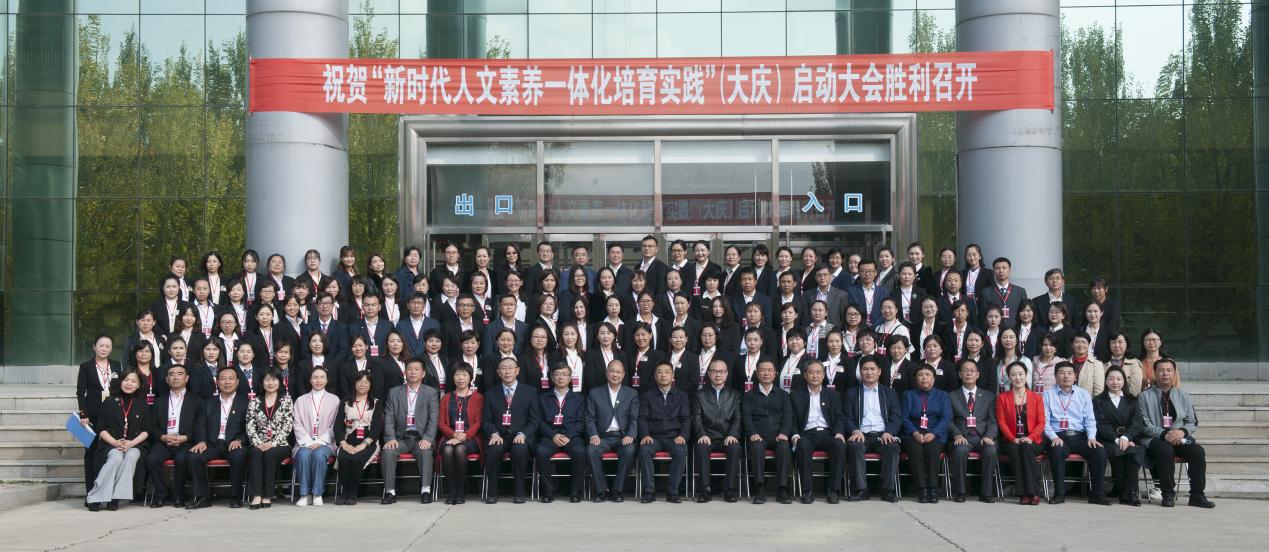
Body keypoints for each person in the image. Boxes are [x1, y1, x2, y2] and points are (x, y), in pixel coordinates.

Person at [1139, 358, 1214, 508]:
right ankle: (1167, 494)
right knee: (1165, 450)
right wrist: (1164, 434)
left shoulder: (1183, 395)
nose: (1165, 373)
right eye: (1161, 370)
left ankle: (1197, 495)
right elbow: (1143, 424)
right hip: (1154, 438)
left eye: (1169, 370)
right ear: (1155, 373)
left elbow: (1192, 422)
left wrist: (1182, 432)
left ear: (1174, 373)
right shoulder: (1144, 396)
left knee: (1197, 451)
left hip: (1179, 438)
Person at [1042, 361, 1110, 505]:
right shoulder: (1047, 395)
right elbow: (1044, 421)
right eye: (1062, 373)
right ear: (1055, 376)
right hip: (1059, 436)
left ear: (1075, 376)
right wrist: (1053, 437)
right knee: (1056, 451)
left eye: (1069, 373)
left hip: (1081, 437)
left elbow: (1090, 419)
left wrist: (1091, 437)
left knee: (1099, 451)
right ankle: (1059, 494)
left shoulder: (1083, 394)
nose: (1066, 376)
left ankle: (1097, 495)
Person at [86, 370, 152, 511]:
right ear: (120, 382)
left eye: (133, 381)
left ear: (139, 385)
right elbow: (101, 428)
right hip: (111, 444)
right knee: (116, 457)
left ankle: (115, 498)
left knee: (131, 456)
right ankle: (96, 497)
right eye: (126, 380)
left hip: (135, 444)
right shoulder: (109, 402)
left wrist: (131, 443)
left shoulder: (143, 404)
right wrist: (115, 443)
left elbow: (147, 430)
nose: (129, 384)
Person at [842, 355, 903, 502]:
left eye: (872, 369)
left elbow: (896, 416)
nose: (869, 372)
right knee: (854, 446)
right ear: (860, 372)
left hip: (883, 434)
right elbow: (846, 417)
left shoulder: (889, 393)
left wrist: (889, 432)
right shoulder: (852, 393)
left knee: (893, 447)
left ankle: (887, 490)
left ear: (879, 371)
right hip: (861, 434)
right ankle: (861, 490)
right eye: (865, 369)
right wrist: (855, 430)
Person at [186, 366, 248, 509]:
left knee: (239, 456)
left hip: (234, 443)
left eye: (231, 379)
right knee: (194, 456)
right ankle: (202, 498)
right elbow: (200, 424)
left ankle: (236, 497)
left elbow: (251, 427)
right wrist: (201, 441)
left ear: (237, 382)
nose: (227, 382)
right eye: (223, 379)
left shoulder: (245, 403)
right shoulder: (208, 402)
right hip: (212, 444)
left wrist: (240, 440)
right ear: (217, 382)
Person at [380, 357, 440, 504]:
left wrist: (428, 438)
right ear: (405, 372)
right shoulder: (394, 392)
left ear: (423, 373)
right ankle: (390, 492)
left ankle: (425, 490)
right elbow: (389, 417)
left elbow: (434, 419)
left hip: (421, 438)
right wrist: (390, 438)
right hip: (401, 438)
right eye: (410, 369)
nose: (413, 372)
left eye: (417, 369)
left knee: (425, 451)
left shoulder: (431, 393)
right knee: (388, 451)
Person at [482, 357, 539, 504]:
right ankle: (492, 492)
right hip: (499, 435)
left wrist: (524, 434)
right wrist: (494, 433)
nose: (507, 371)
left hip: (521, 435)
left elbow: (534, 420)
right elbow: (486, 420)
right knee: (494, 449)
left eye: (510, 368)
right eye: (503, 368)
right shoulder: (490, 393)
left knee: (520, 449)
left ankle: (519, 493)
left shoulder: (530, 392)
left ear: (517, 371)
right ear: (498, 372)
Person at [145, 364, 202, 508]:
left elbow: (200, 424)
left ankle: (179, 496)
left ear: (187, 378)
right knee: (152, 459)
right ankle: (162, 494)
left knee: (182, 459)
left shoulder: (196, 400)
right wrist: (162, 437)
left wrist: (186, 437)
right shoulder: (159, 401)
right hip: (164, 441)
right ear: (166, 379)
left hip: (185, 441)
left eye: (179, 374)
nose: (175, 377)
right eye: (171, 374)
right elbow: (153, 425)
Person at [790, 360, 847, 504]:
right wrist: (795, 434)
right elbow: (791, 419)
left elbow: (840, 417)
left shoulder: (833, 395)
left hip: (828, 434)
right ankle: (807, 491)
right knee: (802, 446)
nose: (815, 376)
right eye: (811, 372)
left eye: (818, 372)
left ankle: (833, 491)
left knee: (839, 445)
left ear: (823, 375)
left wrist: (839, 432)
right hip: (807, 434)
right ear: (805, 375)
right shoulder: (796, 395)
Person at [585, 359, 640, 502]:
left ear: (623, 375)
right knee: (591, 450)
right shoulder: (595, 393)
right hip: (602, 436)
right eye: (612, 371)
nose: (615, 374)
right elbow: (589, 418)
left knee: (629, 450)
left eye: (618, 372)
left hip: (622, 436)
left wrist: (630, 435)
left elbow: (634, 418)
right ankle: (601, 491)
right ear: (606, 373)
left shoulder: (631, 393)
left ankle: (617, 490)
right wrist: (593, 434)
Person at [741, 359, 794, 504]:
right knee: (757, 447)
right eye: (762, 370)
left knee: (784, 447)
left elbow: (788, 416)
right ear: (757, 373)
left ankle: (782, 489)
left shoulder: (783, 395)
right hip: (758, 436)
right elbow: (746, 417)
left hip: (778, 435)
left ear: (775, 373)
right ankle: (759, 488)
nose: (766, 373)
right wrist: (752, 433)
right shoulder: (749, 395)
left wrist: (784, 433)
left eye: (769, 370)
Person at [534, 362, 587, 502]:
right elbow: (539, 421)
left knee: (580, 452)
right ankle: (548, 492)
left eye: (564, 374)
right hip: (551, 436)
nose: (561, 377)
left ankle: (575, 492)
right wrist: (553, 435)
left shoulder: (579, 398)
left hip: (572, 436)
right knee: (541, 451)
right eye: (557, 374)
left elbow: (581, 422)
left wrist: (569, 436)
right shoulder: (543, 398)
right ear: (552, 377)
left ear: (570, 378)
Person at [77, 335, 123, 499]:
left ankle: (108, 493)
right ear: (94, 347)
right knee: (90, 453)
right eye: (101, 345)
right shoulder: (86, 367)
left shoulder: (116, 365)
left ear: (111, 349)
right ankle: (91, 493)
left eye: (107, 346)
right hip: (92, 416)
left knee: (110, 452)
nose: (104, 349)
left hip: (112, 415)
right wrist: (83, 414)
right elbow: (81, 393)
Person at [638, 361, 690, 503]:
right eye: (659, 372)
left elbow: (686, 419)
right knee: (644, 450)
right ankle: (649, 491)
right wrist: (645, 435)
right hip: (653, 438)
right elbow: (642, 418)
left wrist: (683, 436)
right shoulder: (647, 396)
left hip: (674, 438)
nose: (663, 375)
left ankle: (672, 492)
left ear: (673, 376)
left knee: (680, 451)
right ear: (655, 376)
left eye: (667, 372)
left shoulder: (681, 396)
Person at [947, 359, 999, 503]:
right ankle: (960, 492)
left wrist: (989, 435)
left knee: (991, 450)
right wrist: (957, 435)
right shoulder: (951, 396)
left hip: (983, 436)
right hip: (962, 436)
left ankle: (986, 493)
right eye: (965, 370)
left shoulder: (989, 396)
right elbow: (948, 420)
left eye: (972, 371)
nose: (968, 373)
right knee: (960, 450)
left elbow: (993, 420)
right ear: (960, 374)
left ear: (978, 374)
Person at [691, 358, 742, 503]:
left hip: (727, 437)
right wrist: (702, 434)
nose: (718, 375)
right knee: (701, 447)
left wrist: (732, 434)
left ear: (726, 374)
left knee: (735, 448)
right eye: (714, 371)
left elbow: (738, 418)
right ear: (708, 373)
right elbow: (696, 417)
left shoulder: (735, 395)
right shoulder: (699, 394)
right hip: (707, 437)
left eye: (721, 371)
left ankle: (729, 490)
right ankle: (705, 490)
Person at [1093, 366, 1145, 506]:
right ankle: (1122, 491)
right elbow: (1100, 423)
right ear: (1106, 381)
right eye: (1111, 379)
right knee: (1118, 450)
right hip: (1108, 439)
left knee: (1132, 450)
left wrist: (1126, 437)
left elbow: (1137, 423)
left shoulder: (1132, 400)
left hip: (1129, 439)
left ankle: (1132, 492)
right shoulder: (1098, 400)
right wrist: (1116, 439)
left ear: (1124, 381)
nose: (1115, 382)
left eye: (1118, 379)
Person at [996, 361, 1046, 505]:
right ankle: (1023, 493)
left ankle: (1032, 492)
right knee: (1015, 450)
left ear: (1026, 375)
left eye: (1020, 374)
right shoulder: (1002, 398)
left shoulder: (1036, 397)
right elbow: (1001, 422)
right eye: (1013, 375)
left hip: (1033, 439)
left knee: (1026, 448)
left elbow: (1041, 422)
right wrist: (1013, 438)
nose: (1017, 378)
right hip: (1010, 439)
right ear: (1009, 377)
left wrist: (1031, 437)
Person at [333, 371, 384, 505]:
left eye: (366, 382)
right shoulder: (345, 402)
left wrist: (364, 444)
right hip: (348, 440)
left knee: (356, 461)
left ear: (371, 385)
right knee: (344, 460)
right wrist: (344, 444)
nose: (362, 384)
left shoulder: (376, 403)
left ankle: (353, 491)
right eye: (360, 381)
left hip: (368, 442)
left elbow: (377, 428)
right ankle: (344, 491)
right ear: (354, 383)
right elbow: (338, 426)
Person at [244, 369, 293, 509]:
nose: (271, 383)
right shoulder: (254, 402)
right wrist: (258, 443)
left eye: (274, 379)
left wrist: (273, 443)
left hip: (280, 444)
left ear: (280, 382)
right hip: (259, 443)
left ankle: (267, 495)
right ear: (262, 382)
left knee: (270, 453)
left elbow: (288, 426)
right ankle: (256, 495)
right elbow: (250, 425)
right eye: (267, 379)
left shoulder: (286, 401)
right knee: (255, 453)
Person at [291, 366, 340, 507]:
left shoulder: (335, 400)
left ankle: (317, 493)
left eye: (322, 377)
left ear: (327, 380)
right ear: (310, 380)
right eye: (315, 377)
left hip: (326, 442)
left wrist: (321, 440)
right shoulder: (301, 400)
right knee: (303, 455)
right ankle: (305, 494)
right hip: (304, 442)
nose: (319, 380)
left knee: (319, 455)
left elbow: (335, 424)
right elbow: (297, 423)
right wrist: (307, 441)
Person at [438, 362, 483, 505]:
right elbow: (442, 423)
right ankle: (451, 491)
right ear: (452, 377)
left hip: (471, 437)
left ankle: (460, 491)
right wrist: (454, 435)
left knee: (460, 449)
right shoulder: (446, 398)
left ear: (471, 377)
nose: (461, 378)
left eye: (464, 374)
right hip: (450, 436)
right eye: (457, 374)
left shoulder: (478, 397)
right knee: (447, 449)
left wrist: (464, 436)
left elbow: (478, 422)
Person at [978, 257, 1028, 326]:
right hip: (994, 330)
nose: (1001, 271)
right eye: (997, 268)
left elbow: (1025, 313)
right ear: (993, 271)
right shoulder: (985, 292)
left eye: (1004, 268)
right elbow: (983, 316)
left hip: (1015, 330)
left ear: (1009, 270)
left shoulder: (1020, 291)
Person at [846, 259, 887, 328]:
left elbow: (885, 312)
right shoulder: (851, 291)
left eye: (870, 271)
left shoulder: (884, 292)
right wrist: (863, 323)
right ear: (859, 273)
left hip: (879, 328)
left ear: (875, 273)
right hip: (858, 328)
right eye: (864, 271)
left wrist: (875, 325)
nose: (867, 274)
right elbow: (850, 311)